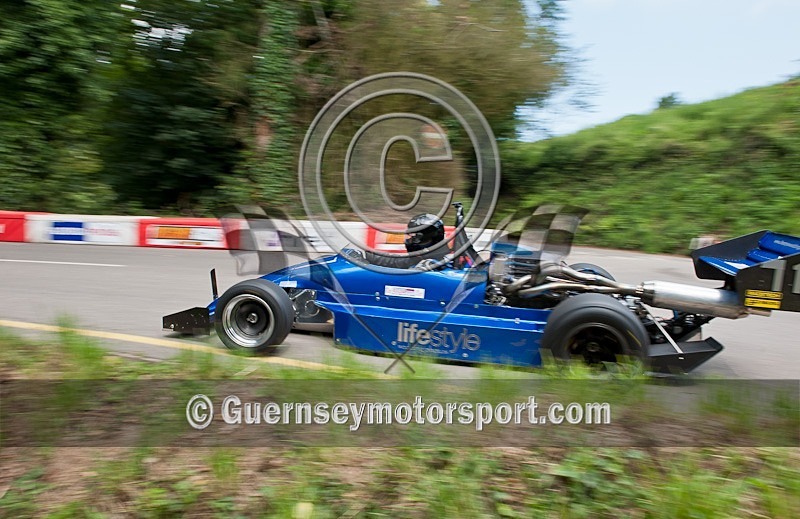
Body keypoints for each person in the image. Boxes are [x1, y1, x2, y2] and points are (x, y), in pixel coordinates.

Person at [364, 213, 451, 269]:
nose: (410, 240)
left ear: (424, 238)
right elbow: (396, 261)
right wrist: (367, 255)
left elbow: (398, 263)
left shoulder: (431, 263)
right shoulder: (431, 256)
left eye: (413, 236)